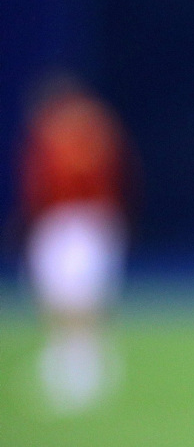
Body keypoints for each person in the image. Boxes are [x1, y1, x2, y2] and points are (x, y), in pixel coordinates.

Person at [17, 73, 133, 412]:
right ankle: (63, 366)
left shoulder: (88, 132)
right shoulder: (47, 135)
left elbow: (102, 177)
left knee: (84, 298)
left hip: (84, 219)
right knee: (54, 298)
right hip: (55, 221)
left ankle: (88, 372)